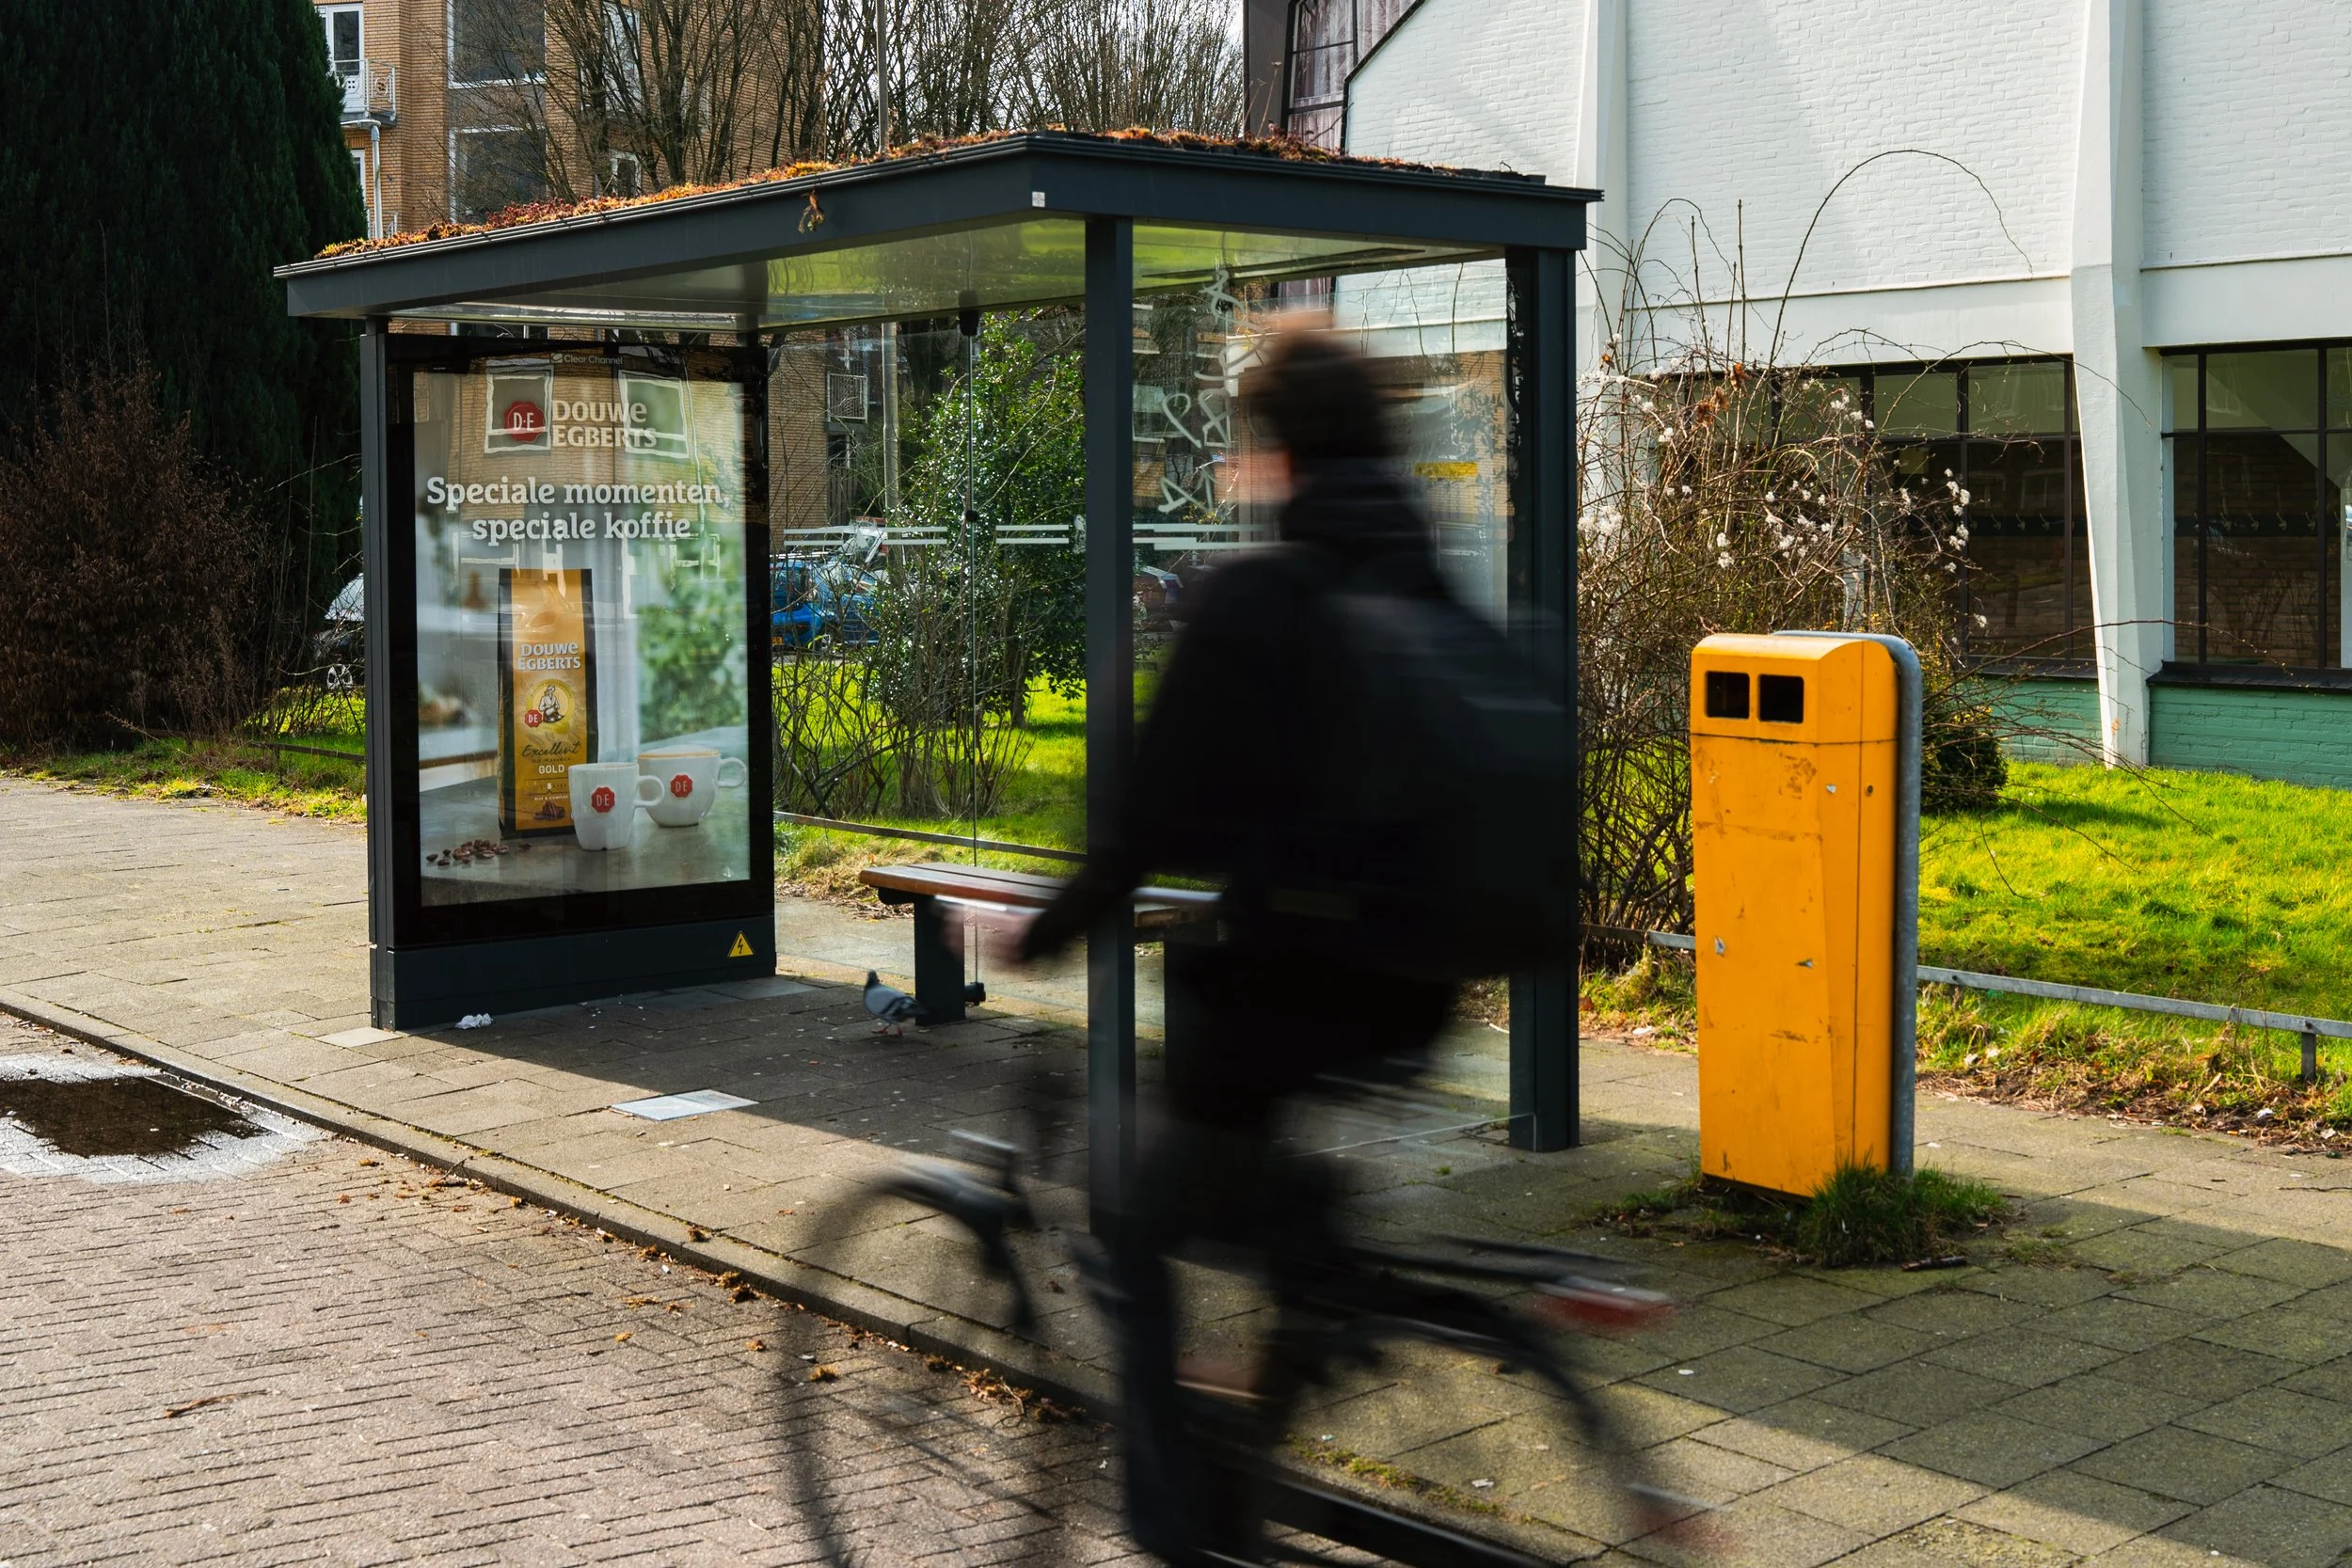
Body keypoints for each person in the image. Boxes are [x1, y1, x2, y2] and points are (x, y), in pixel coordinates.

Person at [1017, 330, 1468, 1562]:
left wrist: (1039, 930)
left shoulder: (1256, 597)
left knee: (1128, 1203)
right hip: (1418, 995)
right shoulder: (1428, 577)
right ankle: (1277, 1380)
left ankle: (1180, 1523)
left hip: (1281, 998)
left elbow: (1147, 824)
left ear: (1269, 453)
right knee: (1287, 1229)